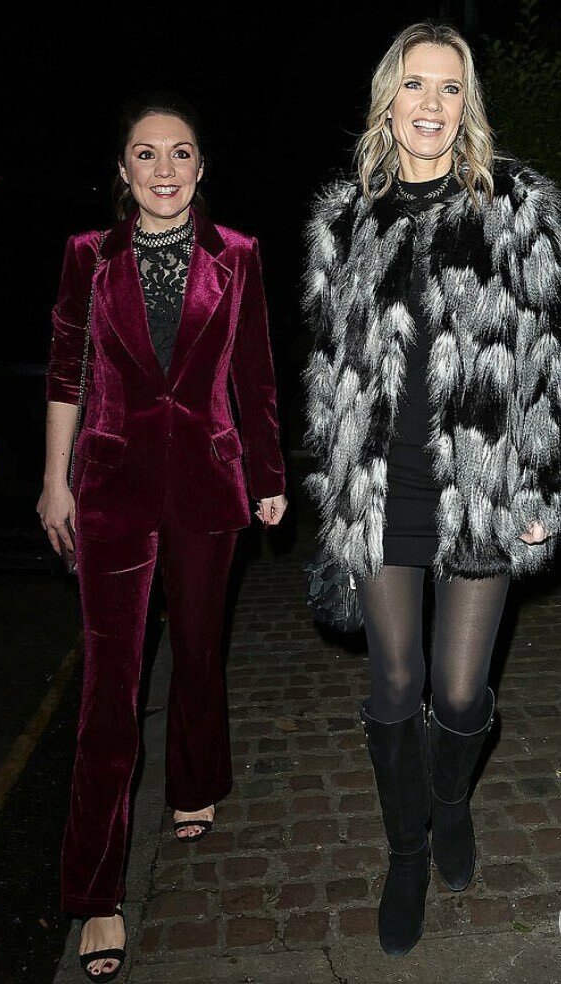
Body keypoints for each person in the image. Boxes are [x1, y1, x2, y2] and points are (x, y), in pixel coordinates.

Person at [302, 20, 561, 958]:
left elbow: (547, 358)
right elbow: (330, 371)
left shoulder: (518, 207)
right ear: (389, 99)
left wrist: (538, 486)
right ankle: (405, 852)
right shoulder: (344, 221)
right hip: (382, 485)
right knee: (395, 680)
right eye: (415, 84)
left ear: (467, 105)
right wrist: (336, 492)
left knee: (456, 695)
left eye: (450, 88)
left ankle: (450, 799)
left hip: (484, 481)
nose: (431, 104)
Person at [36, 89, 287, 980]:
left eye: (180, 152)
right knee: (110, 684)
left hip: (210, 482)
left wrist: (269, 476)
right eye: (147, 153)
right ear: (123, 169)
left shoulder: (239, 255)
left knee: (202, 650)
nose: (165, 168)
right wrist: (54, 480)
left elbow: (254, 371)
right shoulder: (87, 256)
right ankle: (97, 891)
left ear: (201, 166)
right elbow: (66, 371)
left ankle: (194, 781)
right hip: (111, 487)